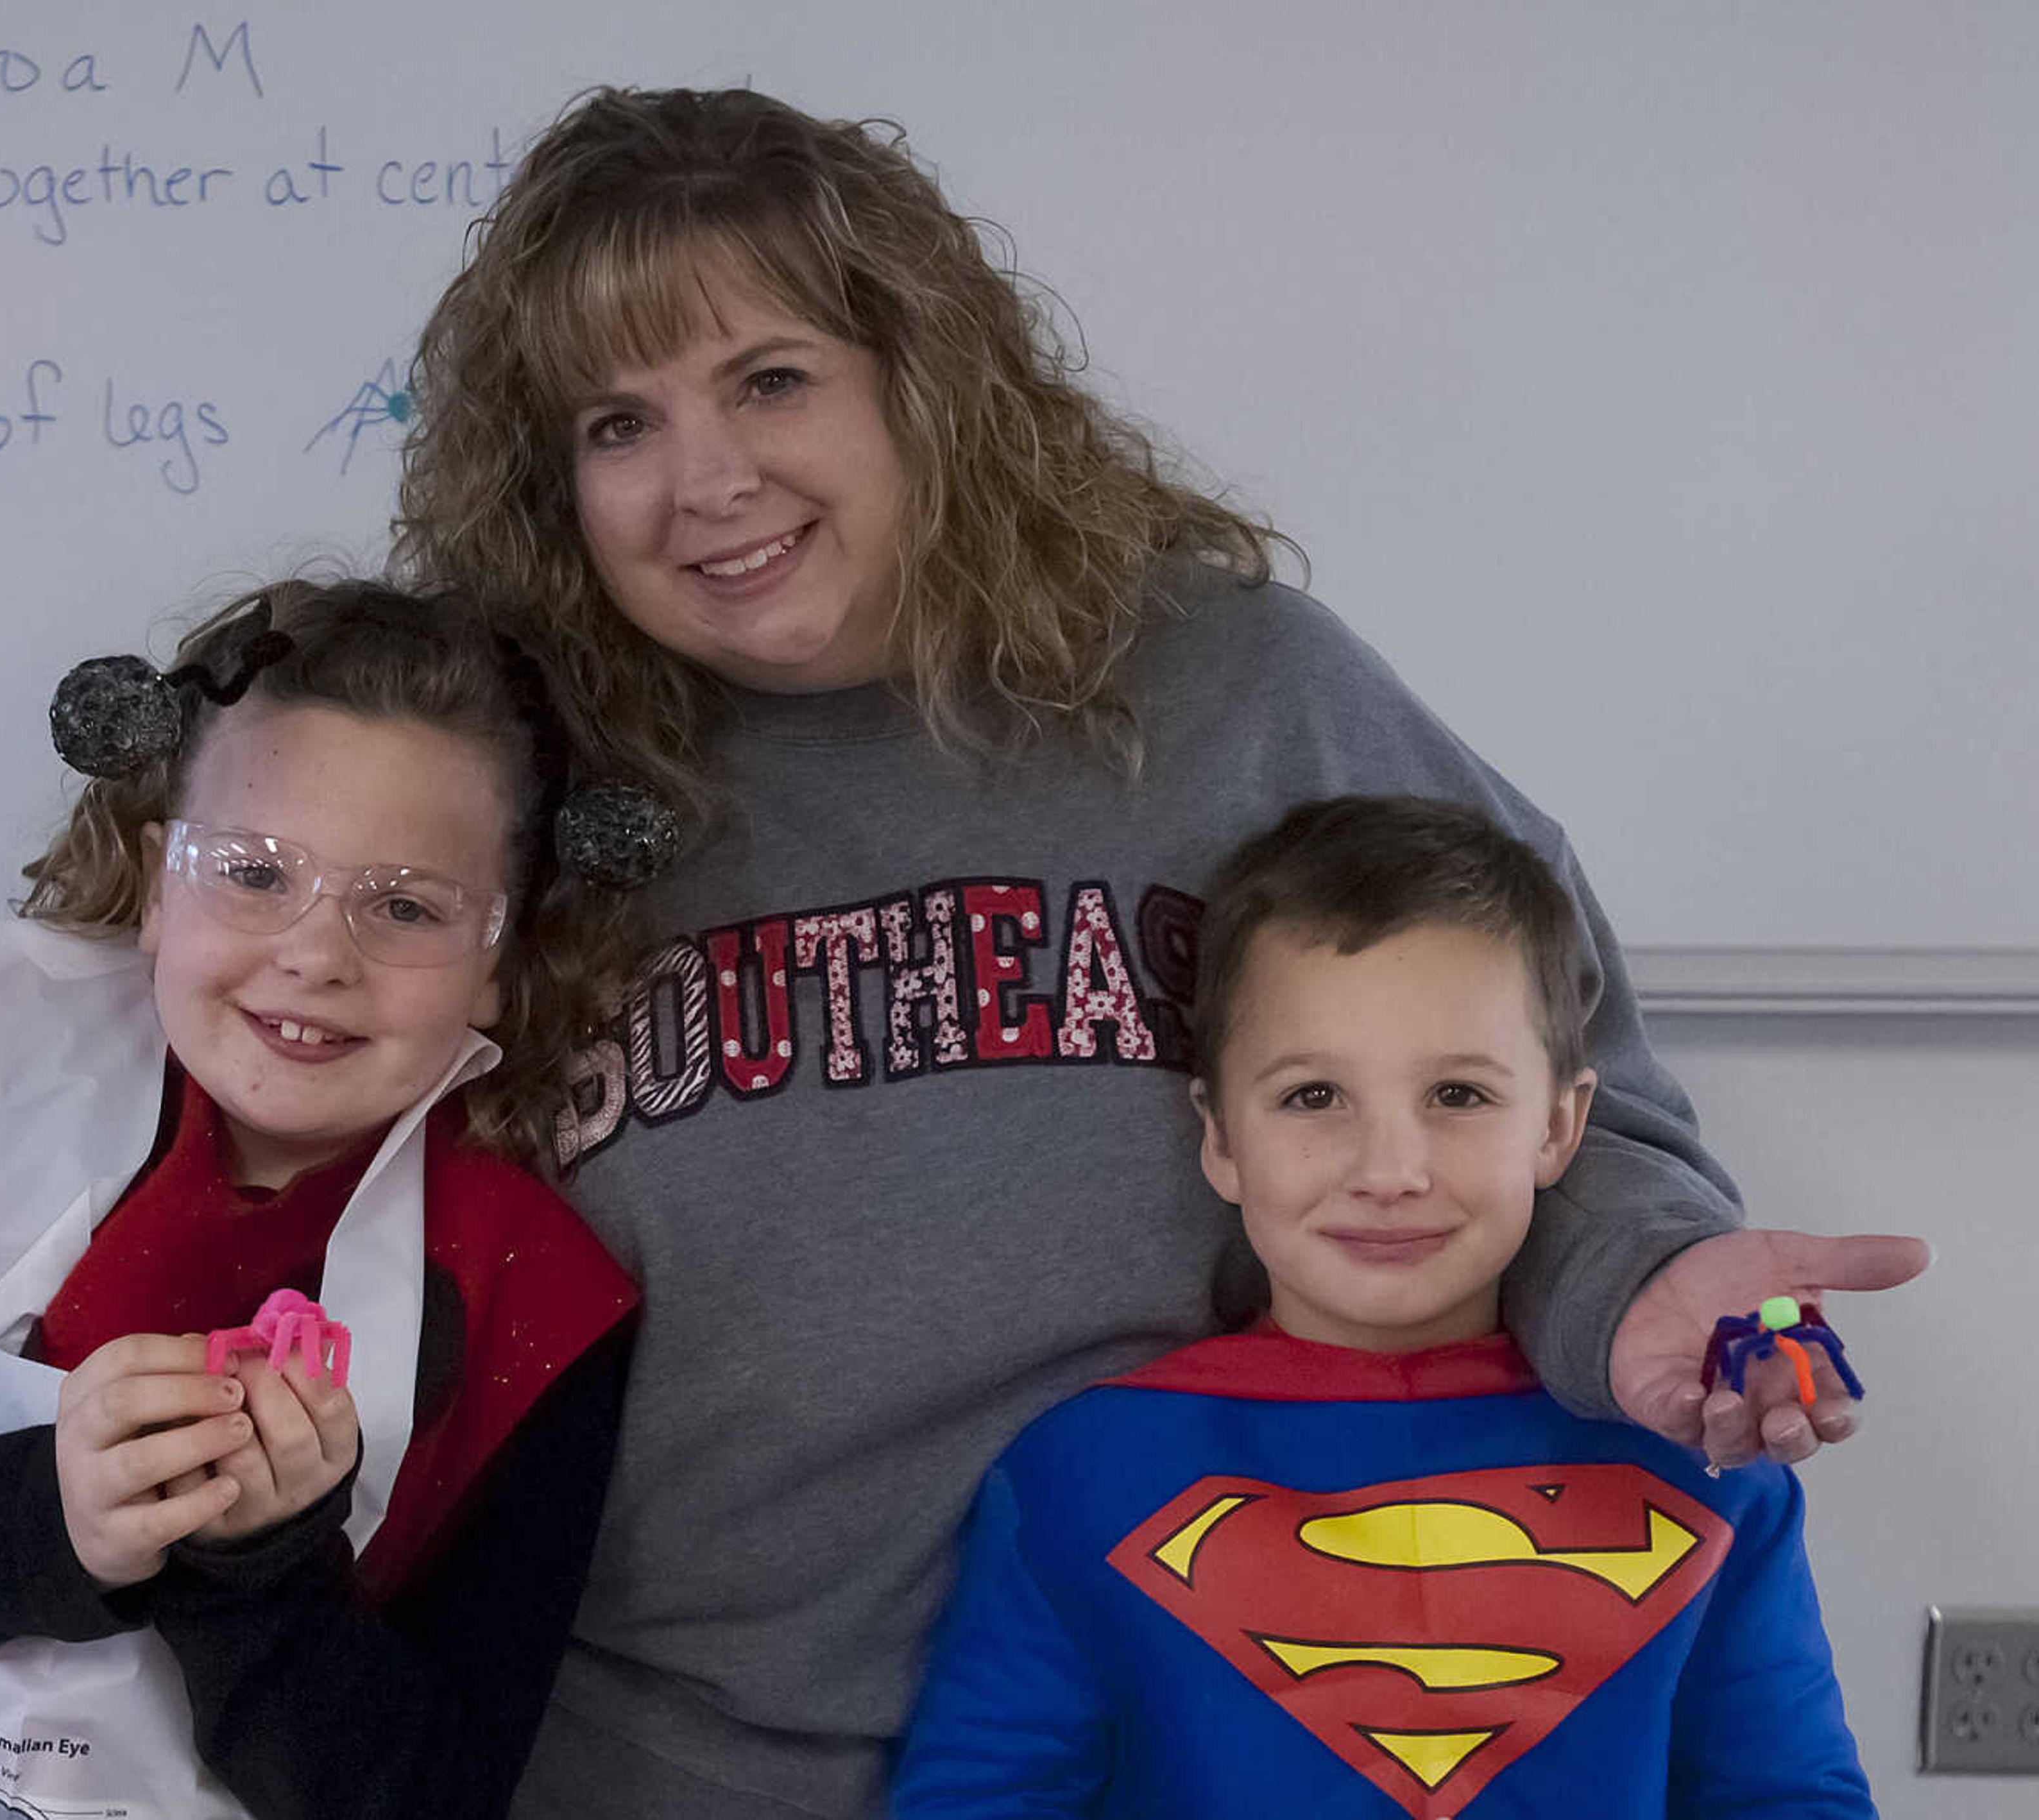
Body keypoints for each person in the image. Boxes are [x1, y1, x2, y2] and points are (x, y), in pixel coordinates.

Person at [390, 86, 1925, 1819]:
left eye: (772, 377)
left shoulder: (1235, 692)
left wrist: (1643, 1281)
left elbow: (1544, 1098)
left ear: (924, 374)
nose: (709, 482)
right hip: (656, 1774)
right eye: (617, 423)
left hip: (1195, 1753)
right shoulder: (503, 783)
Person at [0, 581, 640, 1820]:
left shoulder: (535, 1297)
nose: (317, 953)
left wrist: (260, 1570)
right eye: (256, 872)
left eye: (407, 906)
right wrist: (55, 1516)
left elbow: (426, 1791)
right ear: (160, 884)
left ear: (499, 962)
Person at [890, 795, 1874, 1816]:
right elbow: (981, 1798)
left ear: (1560, 1124)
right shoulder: (1078, 1473)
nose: (1390, 1169)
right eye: (1314, 1096)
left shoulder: (1705, 1454)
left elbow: (1789, 1795)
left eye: (1459, 1095)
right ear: (1221, 1137)